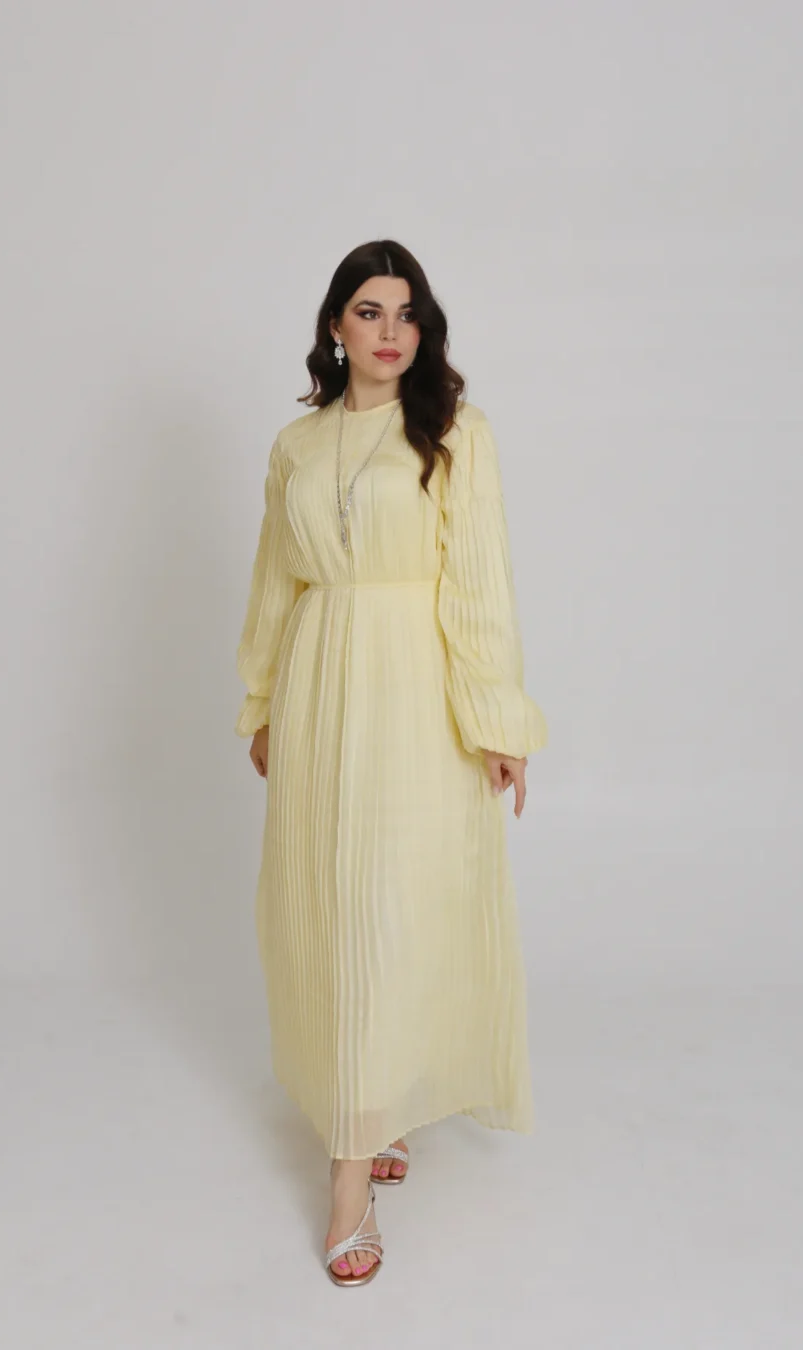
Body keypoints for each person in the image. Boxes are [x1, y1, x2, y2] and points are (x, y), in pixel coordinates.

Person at [233, 239, 548, 1287]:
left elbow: (480, 582)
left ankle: (352, 1171)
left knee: (397, 903)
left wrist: (497, 718)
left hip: (417, 690)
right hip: (320, 686)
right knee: (326, 907)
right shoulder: (295, 444)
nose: (390, 331)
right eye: (369, 311)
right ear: (336, 326)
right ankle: (368, 1113)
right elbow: (275, 583)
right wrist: (262, 704)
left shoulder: (454, 431)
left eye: (407, 313)